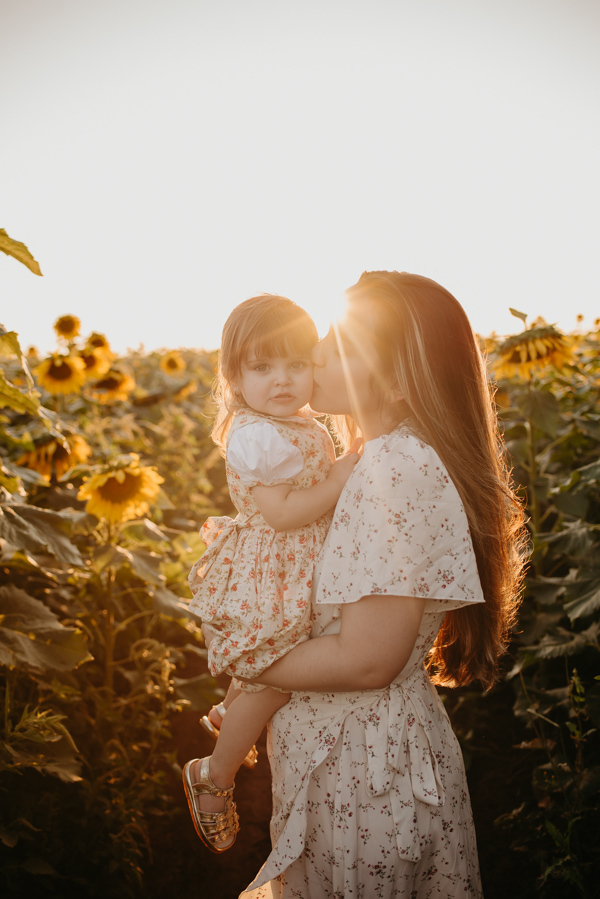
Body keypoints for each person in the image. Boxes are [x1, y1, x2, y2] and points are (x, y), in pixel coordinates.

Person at [225, 271, 527, 898]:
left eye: (335, 345)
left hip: (368, 772)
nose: (314, 358)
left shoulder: (394, 464)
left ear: (392, 376)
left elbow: (367, 660)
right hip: (348, 760)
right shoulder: (375, 454)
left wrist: (246, 664)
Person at [182, 294, 359, 853]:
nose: (282, 381)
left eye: (296, 364)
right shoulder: (257, 435)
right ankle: (214, 775)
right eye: (262, 368)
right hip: (274, 563)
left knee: (268, 656)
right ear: (234, 376)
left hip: (293, 563)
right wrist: (341, 475)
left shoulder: (297, 422)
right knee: (275, 674)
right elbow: (282, 512)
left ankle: (228, 712)